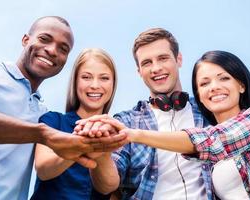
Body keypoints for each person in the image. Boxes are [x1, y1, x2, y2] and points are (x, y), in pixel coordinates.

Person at [0, 16, 125, 200]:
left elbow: (109, 185)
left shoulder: (39, 111)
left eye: (63, 49)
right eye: (45, 39)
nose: (52, 50)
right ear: (25, 39)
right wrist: (46, 135)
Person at [96, 50, 250, 199]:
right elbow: (109, 185)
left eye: (224, 78)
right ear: (199, 95)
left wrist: (134, 134)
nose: (214, 87)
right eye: (204, 83)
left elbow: (212, 141)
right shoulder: (128, 118)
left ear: (241, 85)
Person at [77, 28, 213, 199]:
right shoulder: (126, 122)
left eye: (163, 58)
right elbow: (107, 186)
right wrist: (102, 155)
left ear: (178, 59)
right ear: (139, 71)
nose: (156, 68)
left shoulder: (208, 109)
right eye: (147, 63)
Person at [30, 48, 117, 200]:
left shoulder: (118, 132)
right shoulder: (52, 121)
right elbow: (43, 170)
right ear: (75, 81)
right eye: (86, 77)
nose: (95, 85)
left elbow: (109, 186)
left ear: (113, 84)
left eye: (104, 78)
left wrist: (103, 149)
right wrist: (80, 145)